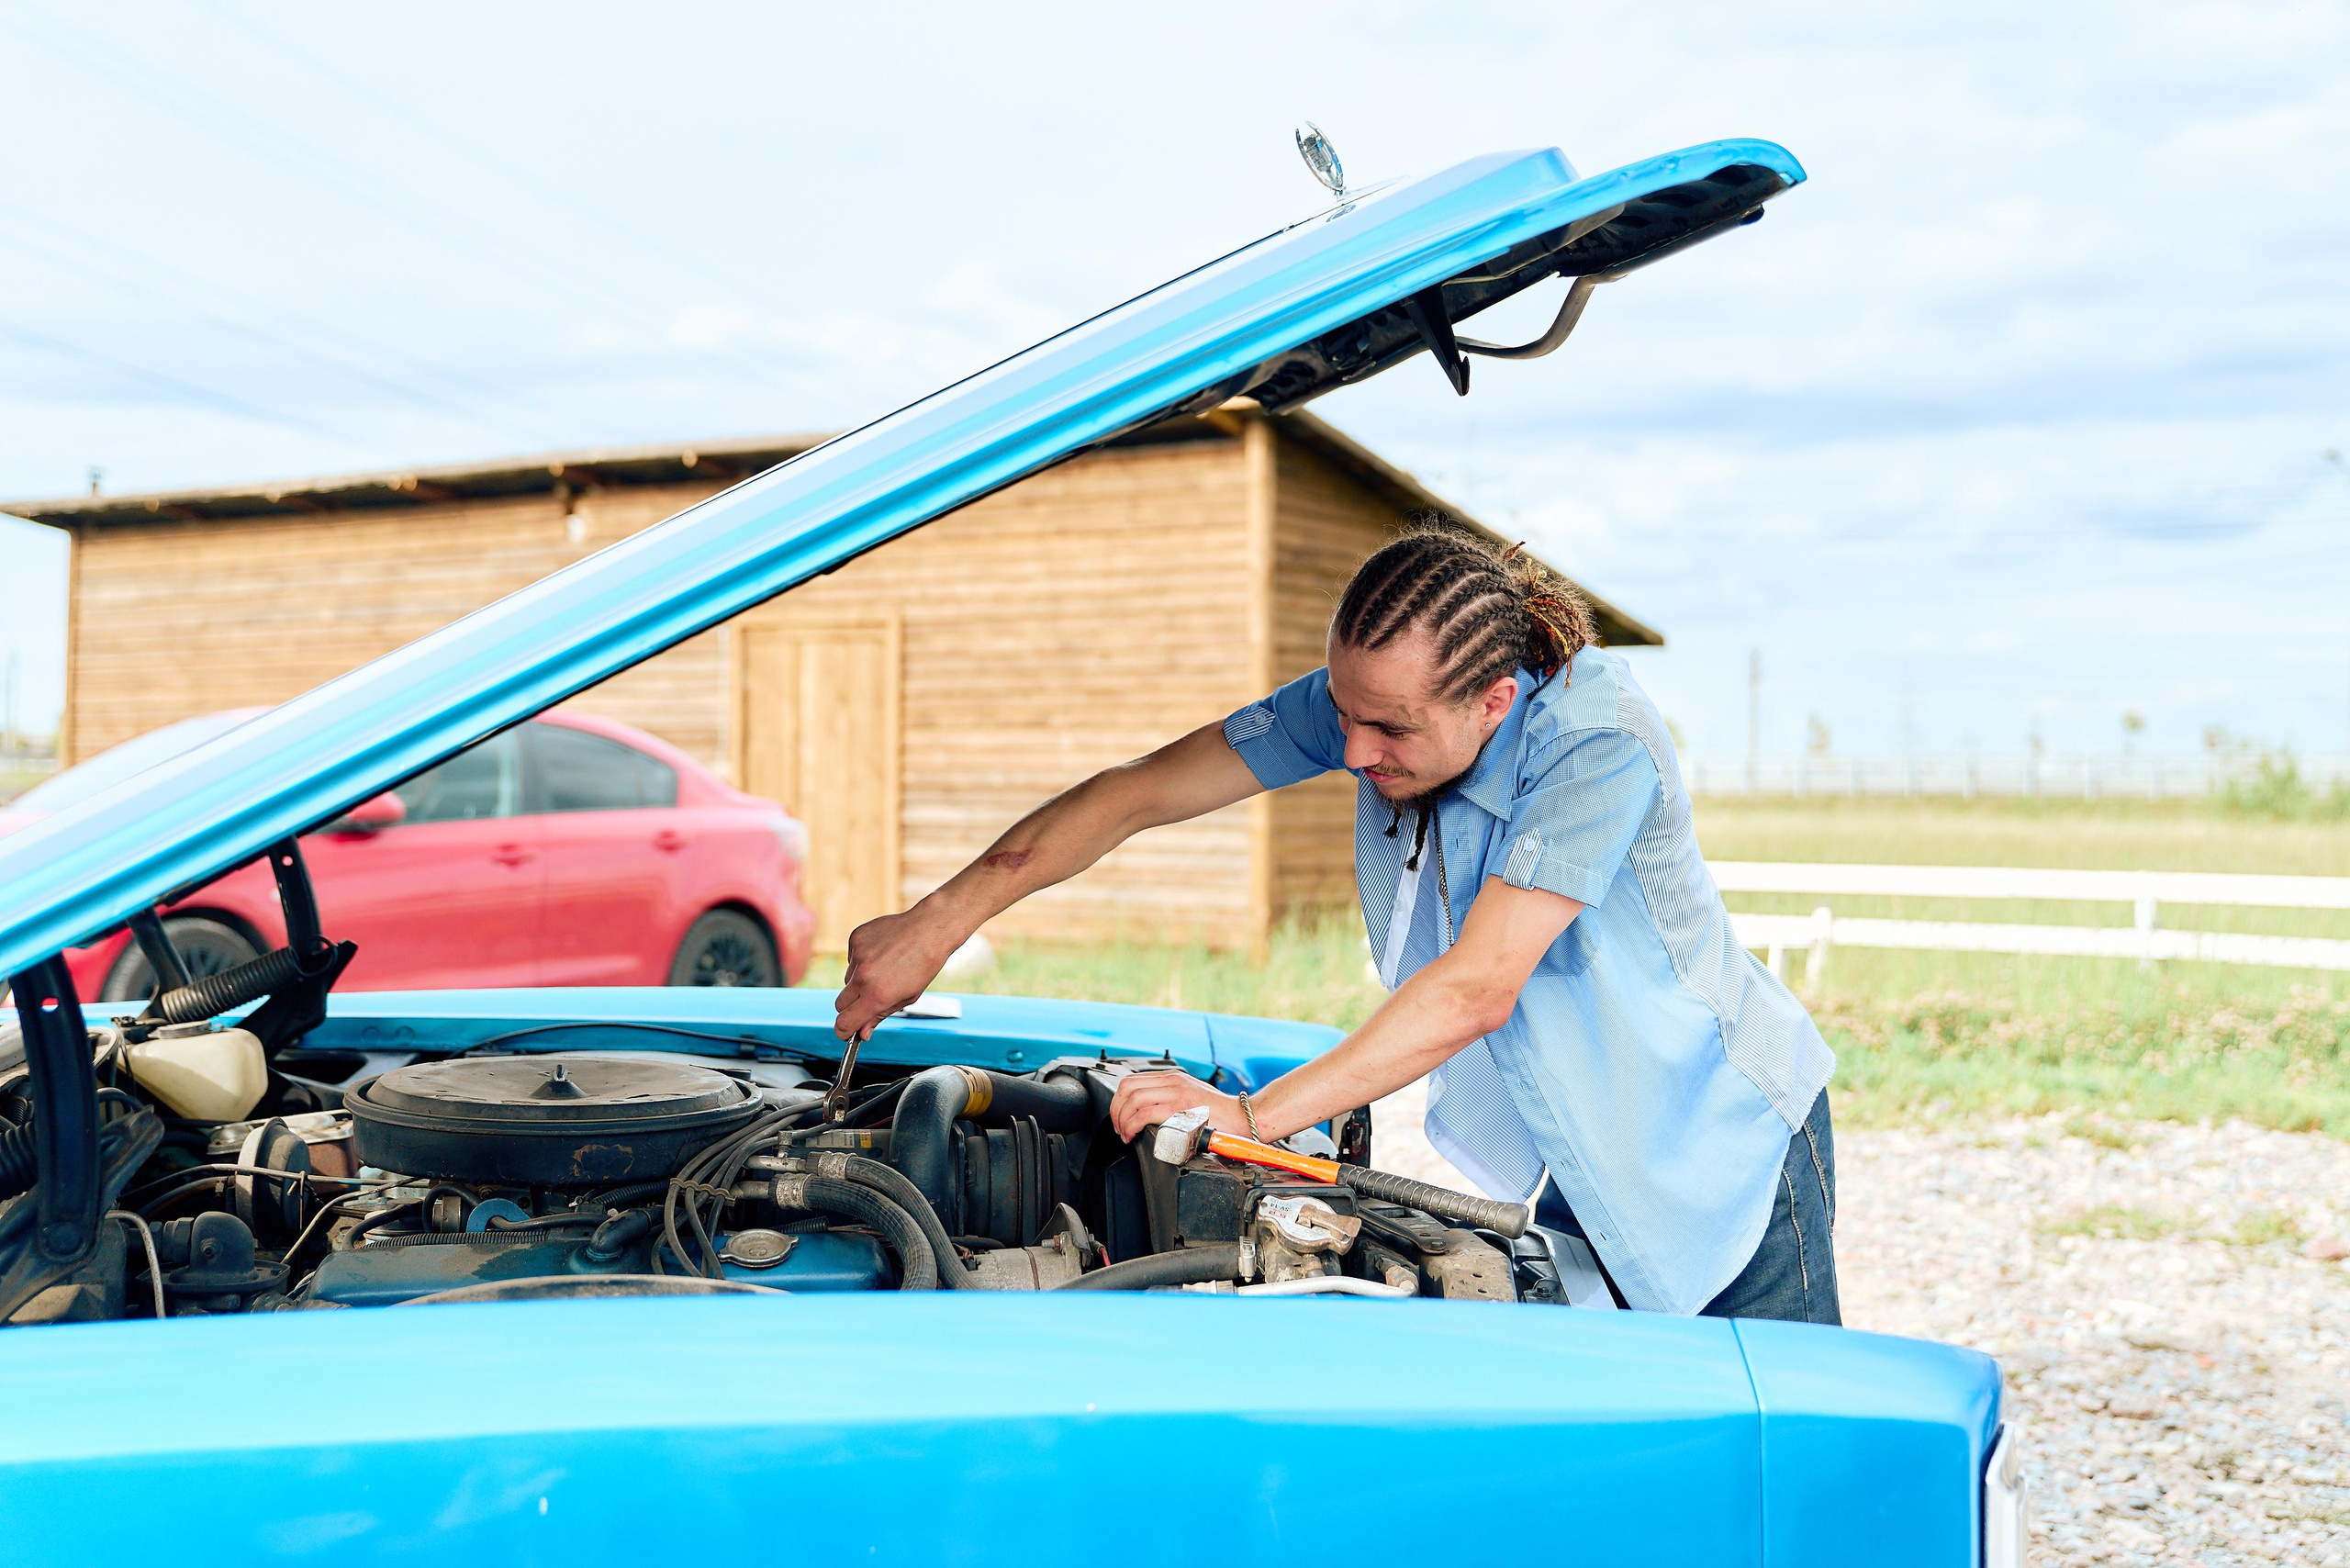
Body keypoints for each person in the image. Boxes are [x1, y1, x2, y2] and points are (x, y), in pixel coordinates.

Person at [834, 527, 1839, 1321]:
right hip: (1585, 1147)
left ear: (1495, 700)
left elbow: (1478, 987)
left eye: (1387, 728)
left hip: (1719, 1152)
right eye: (1343, 713)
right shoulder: (1376, 704)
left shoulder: (1593, 745)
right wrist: (935, 922)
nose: (1351, 748)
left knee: (1791, 1467)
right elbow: (1135, 793)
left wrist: (1248, 1117)